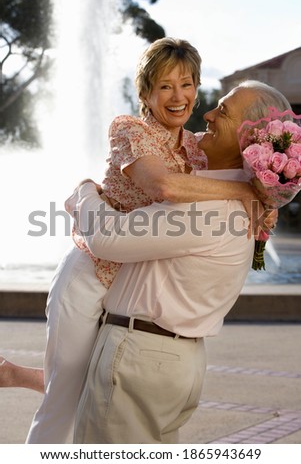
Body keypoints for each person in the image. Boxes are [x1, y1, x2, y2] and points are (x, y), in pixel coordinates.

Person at [1, 37, 265, 444]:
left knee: (84, 383)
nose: (179, 97)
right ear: (145, 92)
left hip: (125, 281)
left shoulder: (195, 149)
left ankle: (17, 374)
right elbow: (161, 187)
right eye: (164, 86)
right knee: (62, 401)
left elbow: (230, 171)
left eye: (188, 83)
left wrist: (267, 195)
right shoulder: (130, 129)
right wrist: (245, 193)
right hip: (89, 275)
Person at [62, 80, 290, 443]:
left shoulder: (211, 210)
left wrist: (83, 193)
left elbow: (106, 238)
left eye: (224, 112)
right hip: (164, 359)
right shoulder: (227, 200)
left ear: (247, 141)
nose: (209, 114)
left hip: (142, 357)